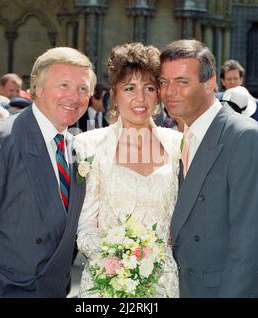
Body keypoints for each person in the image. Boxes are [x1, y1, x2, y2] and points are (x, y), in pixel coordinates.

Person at [0, 47, 96, 298]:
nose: (74, 97)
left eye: (83, 89)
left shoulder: (76, 148)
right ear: (36, 88)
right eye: (64, 85)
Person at [159, 39, 258, 297]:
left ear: (211, 83)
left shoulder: (245, 136)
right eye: (164, 82)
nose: (169, 92)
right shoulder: (184, 136)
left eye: (182, 82)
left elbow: (250, 245)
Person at [74, 42, 182, 298]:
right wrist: (117, 262)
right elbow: (85, 224)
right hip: (107, 282)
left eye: (149, 88)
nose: (140, 99)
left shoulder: (178, 145)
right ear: (114, 92)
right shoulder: (89, 145)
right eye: (130, 88)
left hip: (164, 282)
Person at [217, 59, 258, 124]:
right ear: (223, 81)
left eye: (235, 78)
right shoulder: (215, 100)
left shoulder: (257, 105)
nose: (232, 82)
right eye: (229, 79)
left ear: (241, 79)